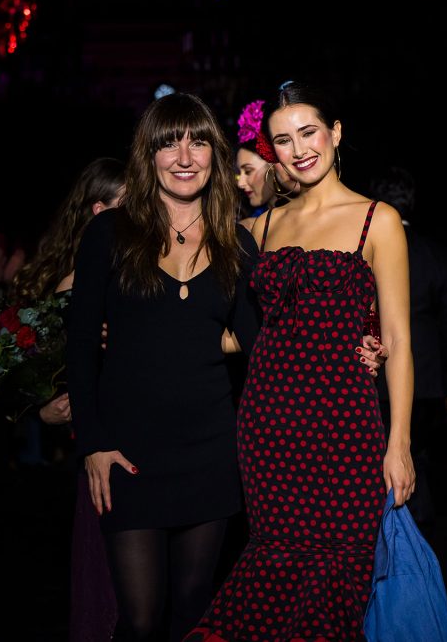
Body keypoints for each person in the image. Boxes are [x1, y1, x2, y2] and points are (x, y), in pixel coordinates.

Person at [67, 92, 386, 642]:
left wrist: (354, 349)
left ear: (215, 155)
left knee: (195, 612)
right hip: (130, 457)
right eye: (169, 143)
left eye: (197, 142)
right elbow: (76, 345)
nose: (184, 156)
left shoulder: (236, 243)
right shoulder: (109, 235)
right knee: (140, 619)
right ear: (149, 155)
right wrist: (92, 442)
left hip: (214, 453)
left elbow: (270, 343)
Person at [189, 80, 416, 642]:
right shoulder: (260, 227)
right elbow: (221, 326)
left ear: (336, 134)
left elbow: (398, 338)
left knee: (340, 574)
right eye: (283, 140)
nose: (299, 149)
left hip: (345, 426)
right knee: (275, 565)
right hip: (269, 426)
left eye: (308, 132)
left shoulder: (377, 220)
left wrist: (400, 441)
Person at [9, 156, 126, 642]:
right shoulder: (75, 284)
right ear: (100, 211)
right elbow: (40, 370)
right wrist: (46, 407)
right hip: (105, 446)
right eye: (128, 205)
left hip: (143, 438)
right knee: (109, 580)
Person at [368, 166, 447, 533]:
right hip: (426, 380)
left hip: (377, 378)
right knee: (420, 461)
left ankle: (396, 544)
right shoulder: (434, 254)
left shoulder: (367, 247)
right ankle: (415, 538)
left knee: (380, 463)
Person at [234, 99, 298, 229]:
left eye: (248, 171)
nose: (240, 183)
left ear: (274, 163)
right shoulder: (247, 223)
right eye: (238, 173)